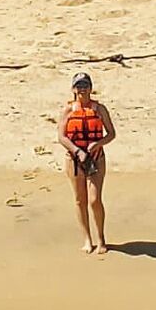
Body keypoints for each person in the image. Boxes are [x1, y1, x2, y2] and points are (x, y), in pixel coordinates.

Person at [60, 72, 116, 255]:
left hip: (96, 158)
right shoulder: (68, 110)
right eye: (79, 86)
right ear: (73, 89)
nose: (82, 89)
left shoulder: (100, 109)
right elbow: (61, 137)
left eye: (85, 85)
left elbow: (111, 134)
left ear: (91, 88)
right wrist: (77, 151)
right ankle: (87, 240)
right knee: (80, 200)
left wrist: (97, 144)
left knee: (94, 200)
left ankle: (101, 239)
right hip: (75, 160)